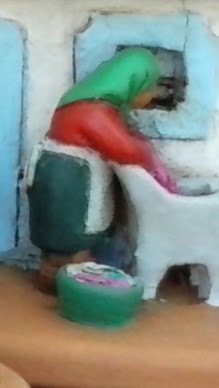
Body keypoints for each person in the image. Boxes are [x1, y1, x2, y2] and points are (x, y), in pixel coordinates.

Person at [27, 47, 179, 287]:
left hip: (66, 179)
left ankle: (62, 277)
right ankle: (70, 285)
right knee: (71, 243)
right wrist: (146, 152)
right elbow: (125, 150)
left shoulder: (92, 105)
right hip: (71, 185)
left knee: (66, 243)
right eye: (150, 87)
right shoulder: (91, 111)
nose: (151, 95)